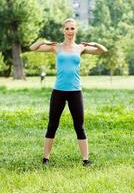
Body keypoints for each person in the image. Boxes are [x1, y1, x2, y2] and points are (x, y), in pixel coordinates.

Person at [30, 18, 108, 166]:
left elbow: (102, 50)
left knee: (79, 125)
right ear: (63, 30)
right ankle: (45, 158)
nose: (70, 31)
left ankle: (86, 160)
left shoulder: (80, 48)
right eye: (67, 28)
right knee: (52, 124)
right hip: (58, 91)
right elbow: (33, 47)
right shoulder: (56, 47)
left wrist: (93, 44)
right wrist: (44, 41)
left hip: (75, 91)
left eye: (72, 28)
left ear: (76, 30)